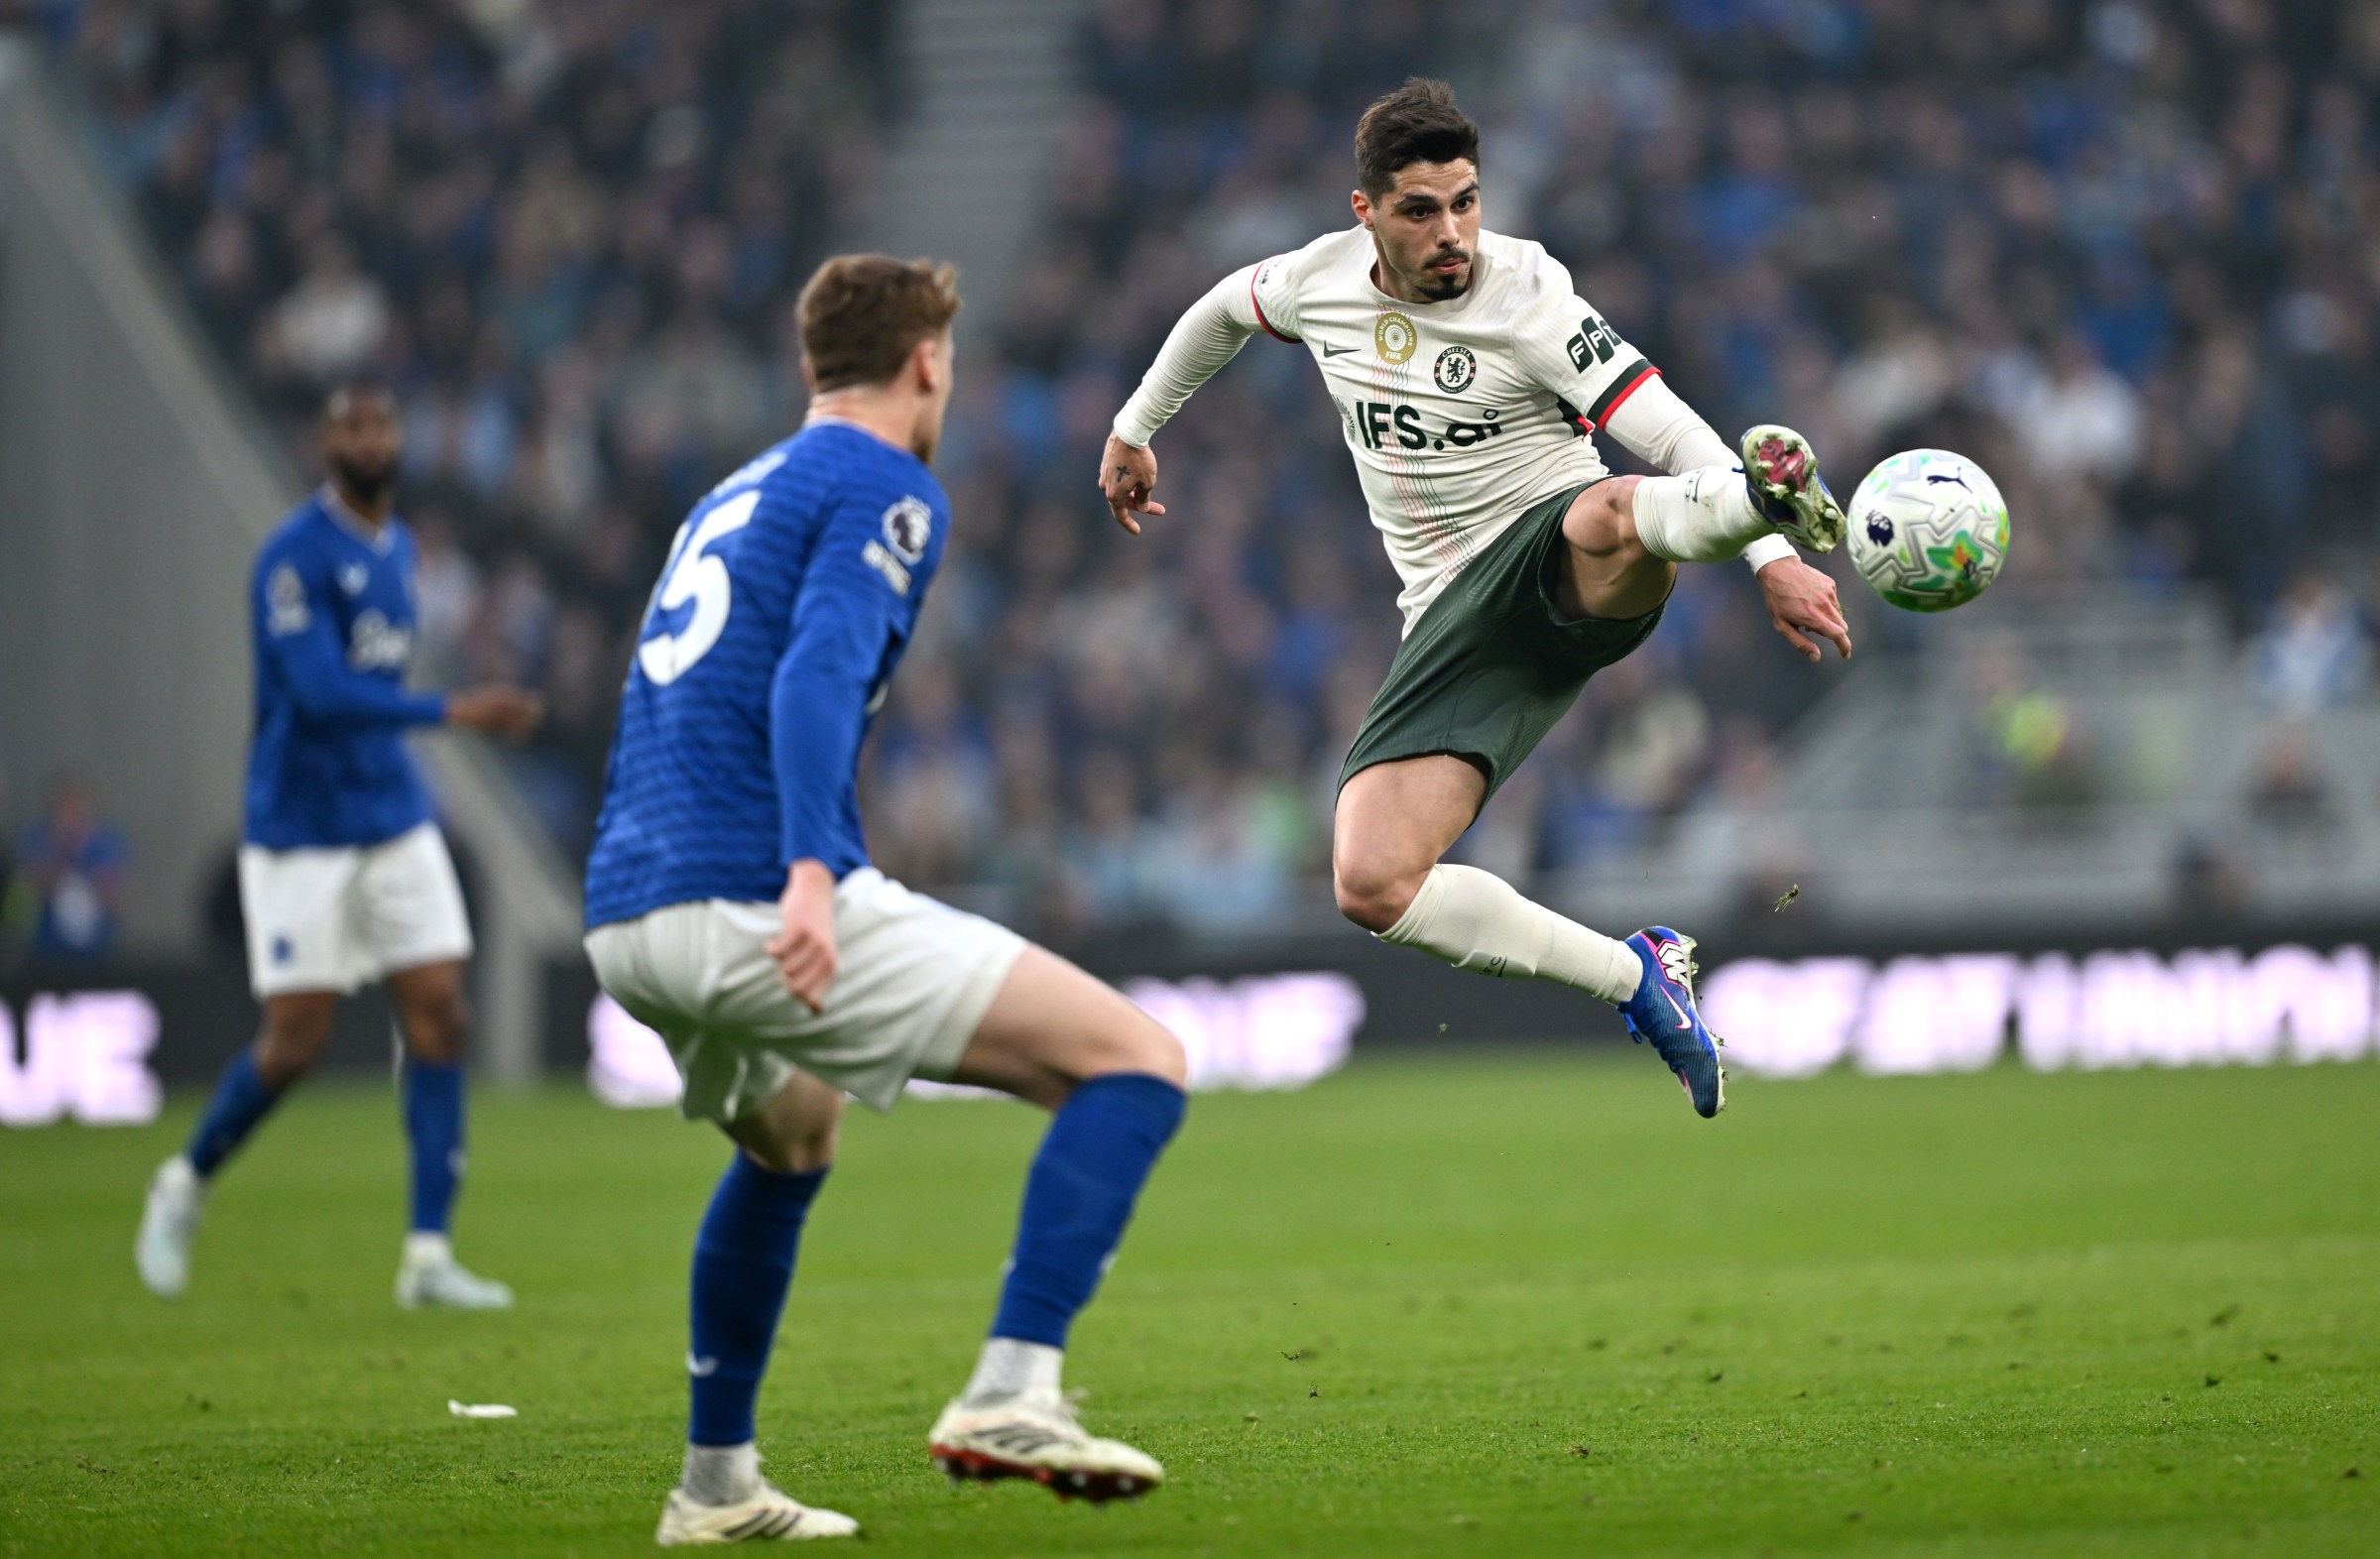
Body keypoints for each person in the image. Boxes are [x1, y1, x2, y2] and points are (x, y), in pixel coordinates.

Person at [1101, 79, 1857, 1120]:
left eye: (1465, 202)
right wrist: (1135, 428)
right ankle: (1639, 979)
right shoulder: (1319, 281)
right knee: (1372, 882)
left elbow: (1668, 427)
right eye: (1421, 210)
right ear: (1366, 212)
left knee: (1609, 509)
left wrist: (1768, 553)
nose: (1452, 231)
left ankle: (1757, 498)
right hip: (1454, 618)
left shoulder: (1529, 295)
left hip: (1561, 545)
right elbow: (1225, 308)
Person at [583, 255, 1187, 1544]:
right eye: (948, 365)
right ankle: (1013, 1391)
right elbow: (816, 674)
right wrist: (810, 870)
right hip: (754, 890)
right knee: (1136, 1063)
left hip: (630, 908)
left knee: (794, 1134)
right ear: (925, 363)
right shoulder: (885, 484)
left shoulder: (735, 492)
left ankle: (713, 1491)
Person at [135, 386, 544, 1305]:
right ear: (325, 443)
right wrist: (454, 710)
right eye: (352, 426)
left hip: (390, 814)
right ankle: (183, 1184)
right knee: (294, 1045)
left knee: (442, 1015)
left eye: (382, 424)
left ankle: (428, 1256)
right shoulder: (293, 558)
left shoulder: (397, 548)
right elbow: (319, 696)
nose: (369, 439)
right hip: (302, 826)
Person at [14, 773, 129, 961]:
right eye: (65, 809)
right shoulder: (36, 838)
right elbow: (32, 892)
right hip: (45, 950)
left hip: (98, 950)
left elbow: (114, 899)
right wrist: (60, 846)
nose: (72, 816)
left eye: (77, 808)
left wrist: (82, 849)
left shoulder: (107, 842)